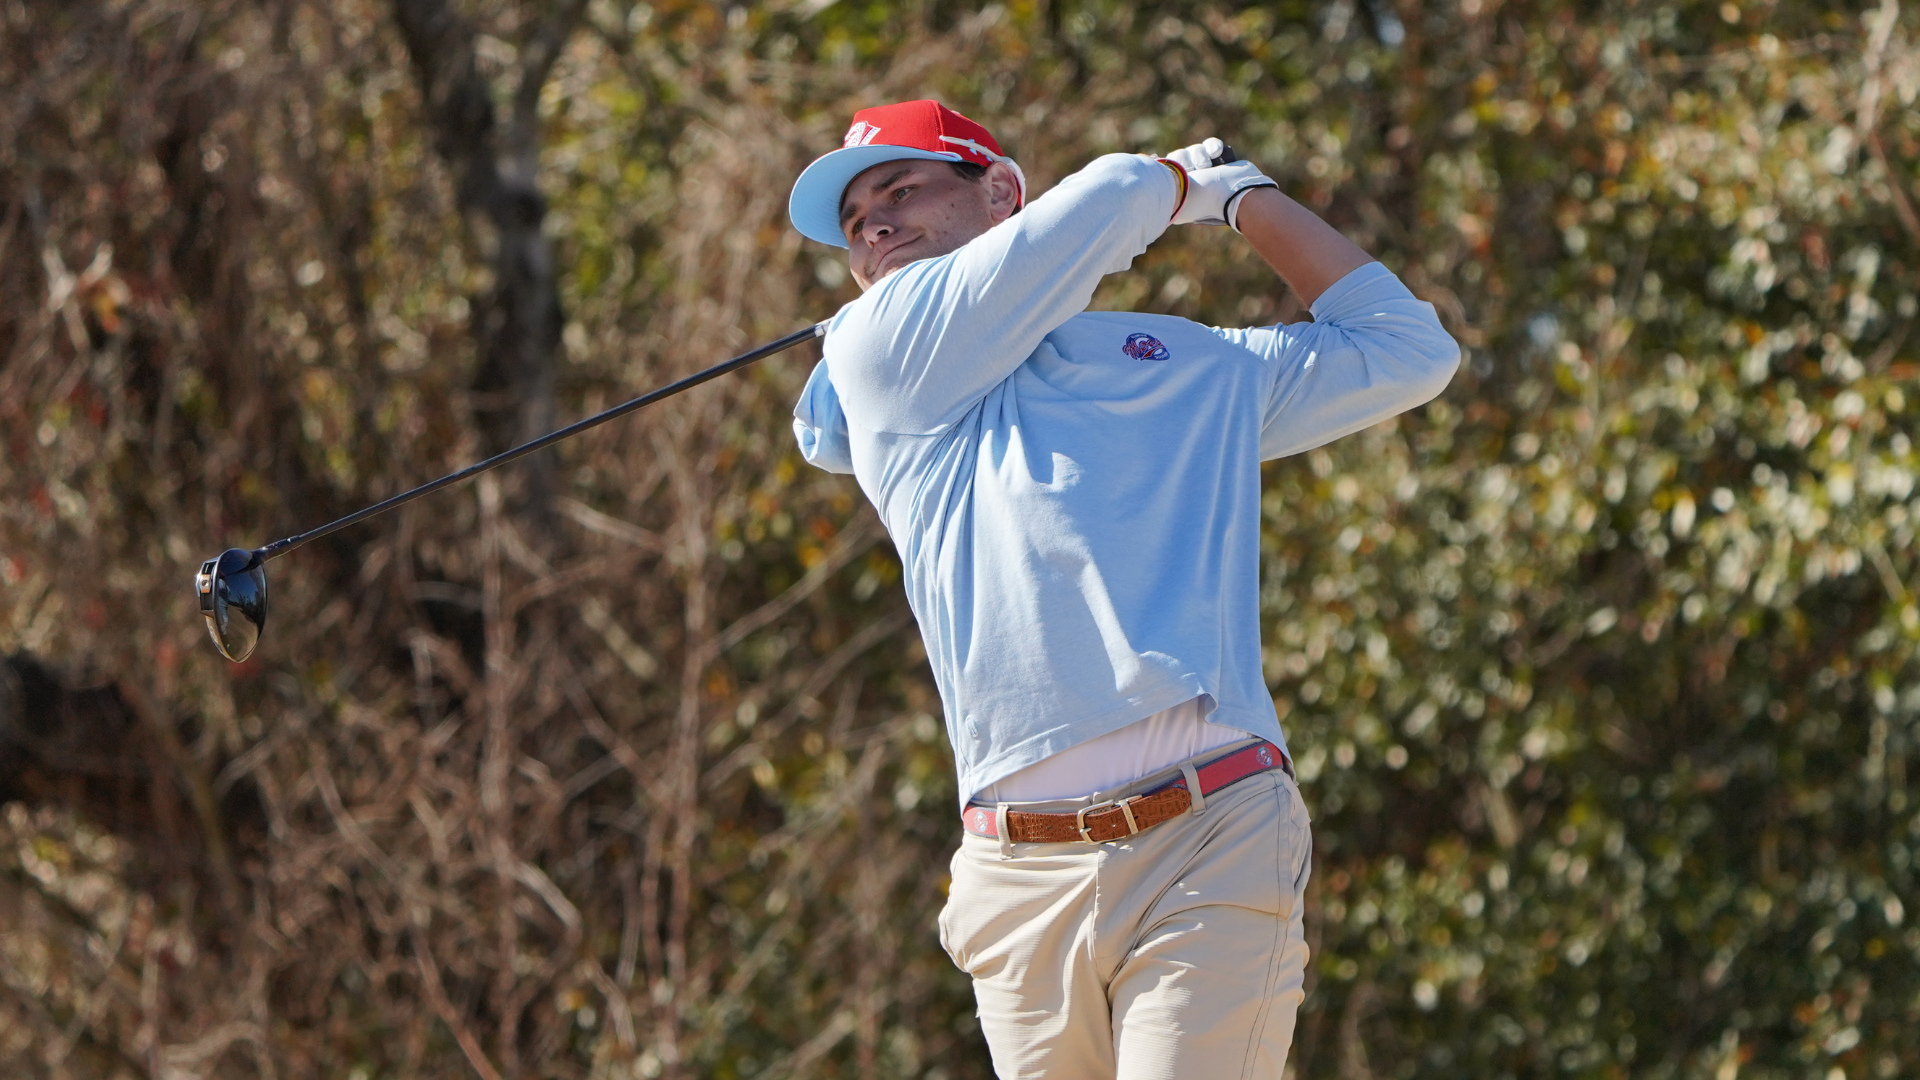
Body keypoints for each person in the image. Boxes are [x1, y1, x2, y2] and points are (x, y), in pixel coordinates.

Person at [786, 99, 1459, 1079]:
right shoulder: (875, 354)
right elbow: (1111, 194)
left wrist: (1249, 202)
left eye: (902, 190)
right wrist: (1187, 180)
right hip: (1018, 883)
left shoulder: (1182, 364)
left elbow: (1406, 349)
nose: (875, 226)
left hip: (1210, 837)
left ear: (1003, 192)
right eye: (854, 224)